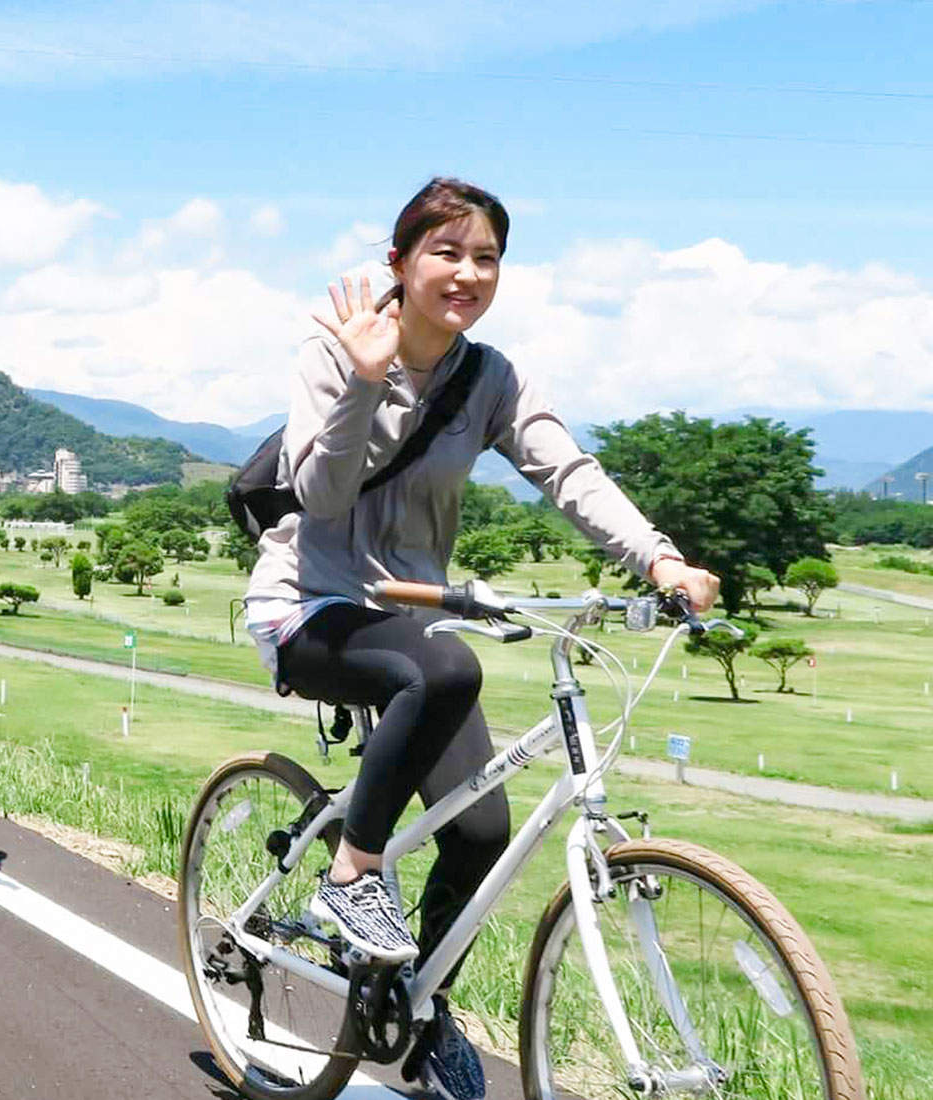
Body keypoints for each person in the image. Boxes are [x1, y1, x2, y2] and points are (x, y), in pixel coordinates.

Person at [240, 178, 720, 1100]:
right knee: (447, 666)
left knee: (483, 830)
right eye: (447, 252)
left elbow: (565, 469)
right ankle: (352, 875)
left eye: (487, 257)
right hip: (311, 603)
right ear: (400, 262)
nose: (468, 273)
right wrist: (366, 378)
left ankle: (422, 1016)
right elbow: (324, 495)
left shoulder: (488, 377)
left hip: (412, 621)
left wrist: (660, 561)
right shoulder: (334, 352)